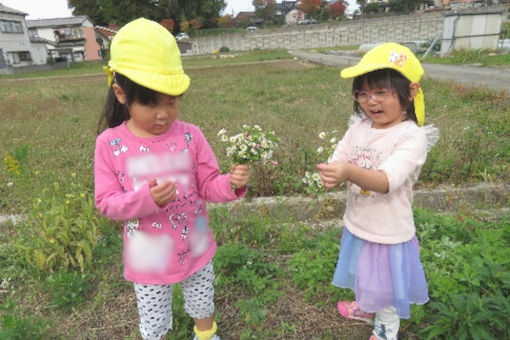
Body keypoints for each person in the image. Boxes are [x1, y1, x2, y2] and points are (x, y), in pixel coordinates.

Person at [94, 18, 250, 340]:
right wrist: (145, 200)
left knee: (202, 300)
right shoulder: (109, 144)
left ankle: (206, 334)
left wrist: (232, 183)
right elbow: (106, 204)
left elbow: (208, 185)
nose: (163, 114)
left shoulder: (192, 136)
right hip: (148, 256)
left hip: (195, 243)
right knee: (153, 321)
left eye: (172, 101)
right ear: (121, 94)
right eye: (151, 103)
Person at [317, 42, 438, 340]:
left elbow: (387, 180)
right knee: (364, 273)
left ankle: (385, 332)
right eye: (363, 93)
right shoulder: (360, 126)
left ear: (410, 92)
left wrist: (348, 172)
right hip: (359, 222)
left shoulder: (411, 137)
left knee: (385, 288)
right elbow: (342, 152)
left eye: (381, 92)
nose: (371, 101)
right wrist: (334, 169)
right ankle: (365, 305)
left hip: (388, 232)